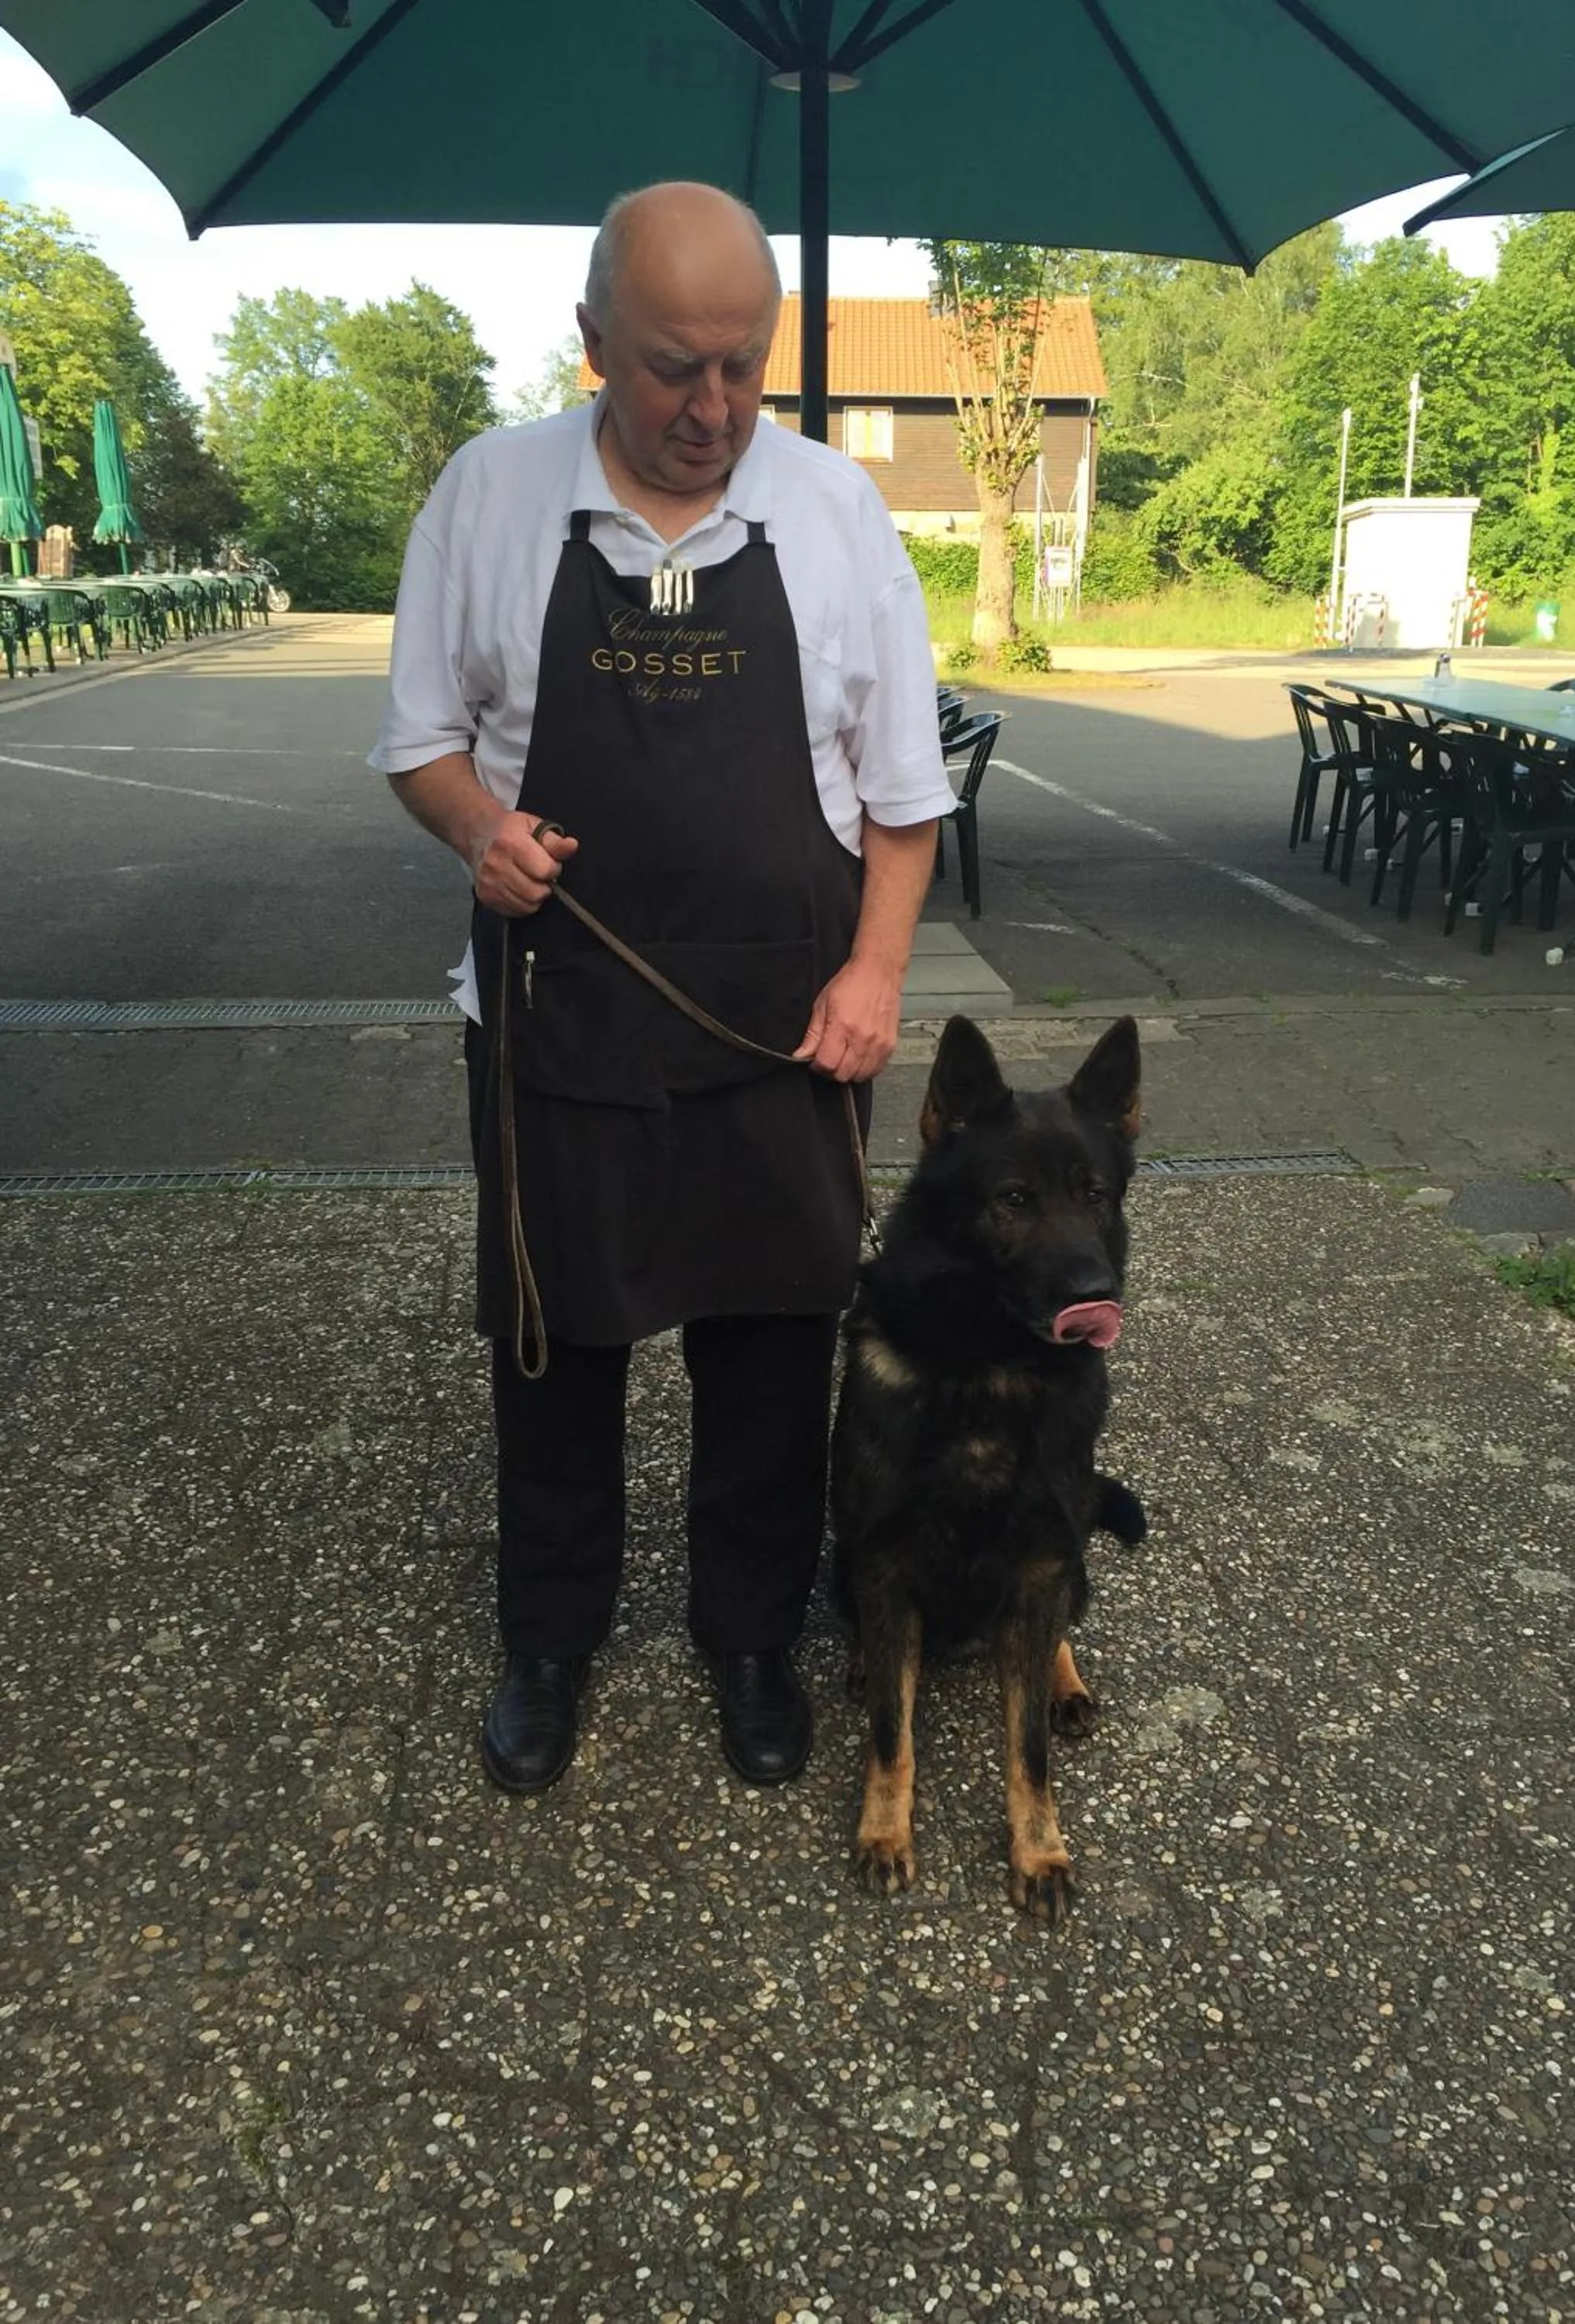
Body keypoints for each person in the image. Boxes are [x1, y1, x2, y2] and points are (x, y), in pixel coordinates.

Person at [370, 183, 951, 1796]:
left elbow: (904, 797)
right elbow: (417, 741)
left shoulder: (837, 513)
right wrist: (479, 829)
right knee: (557, 1349)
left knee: (772, 1350)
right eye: (674, 370)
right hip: (558, 1017)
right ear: (591, 346)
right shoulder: (488, 497)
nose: (714, 412)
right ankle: (549, 1638)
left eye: (746, 370)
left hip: (790, 1026)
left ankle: (750, 1635)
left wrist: (877, 974)